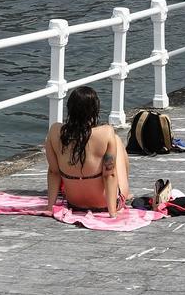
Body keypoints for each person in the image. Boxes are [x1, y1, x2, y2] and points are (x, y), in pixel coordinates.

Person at [46, 86, 130, 217]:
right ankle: (123, 196)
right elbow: (109, 175)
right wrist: (112, 212)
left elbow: (53, 172)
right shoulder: (106, 132)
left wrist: (50, 207)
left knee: (113, 141)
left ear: (70, 108)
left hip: (74, 203)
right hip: (103, 204)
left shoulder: (55, 131)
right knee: (117, 140)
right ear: (94, 110)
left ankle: (51, 204)